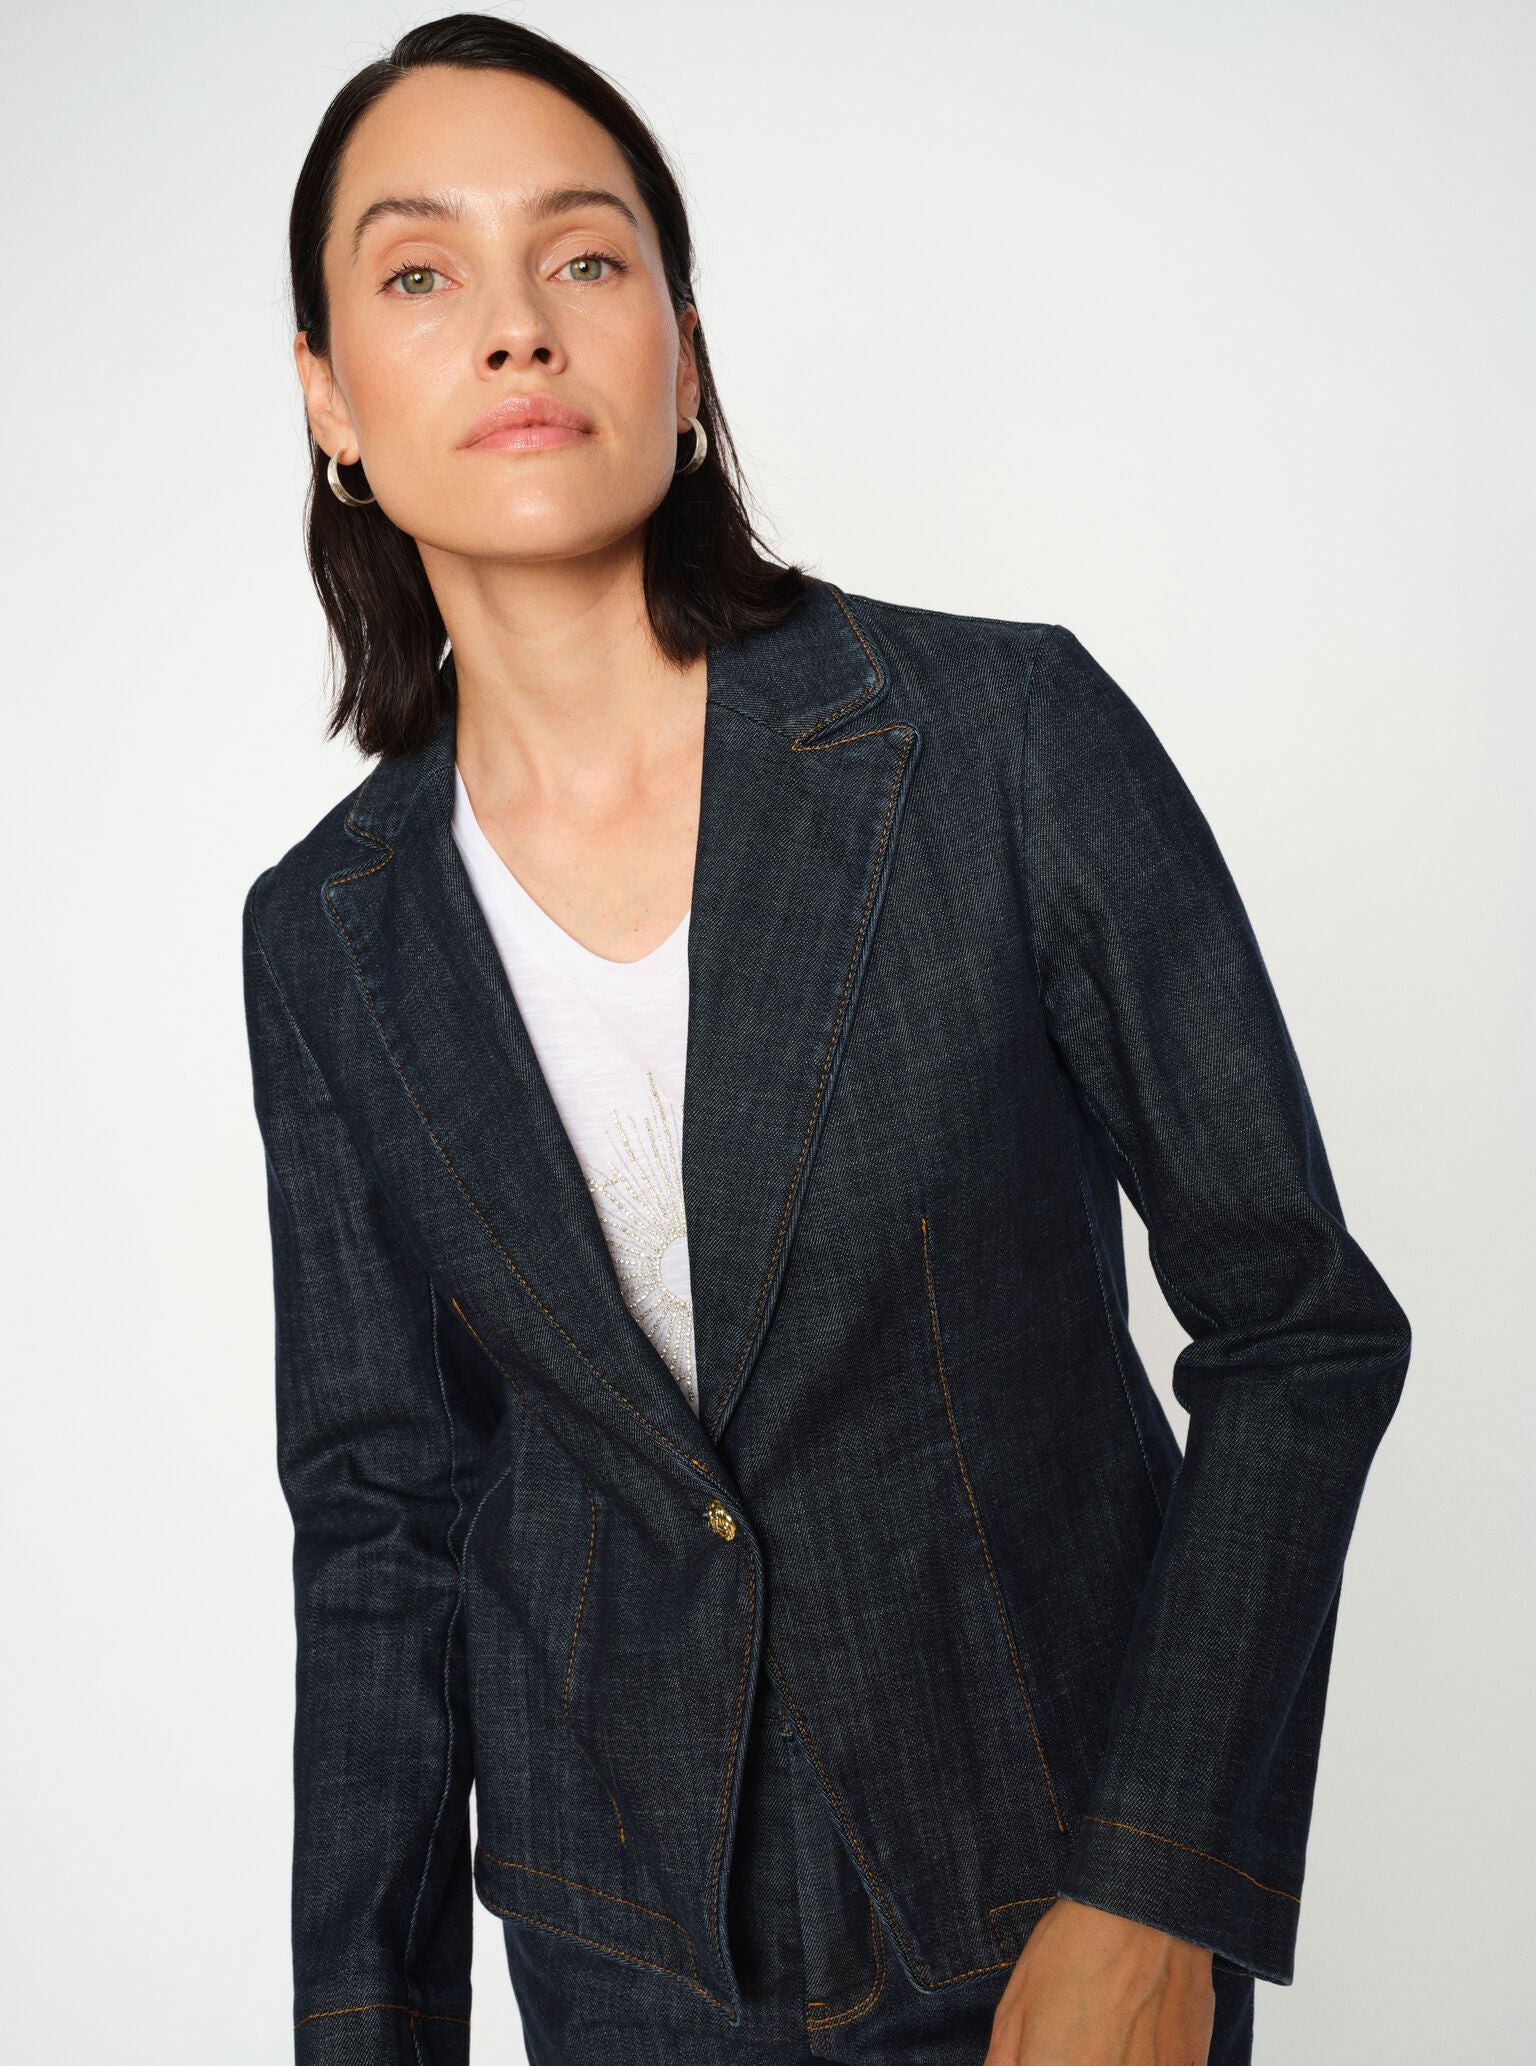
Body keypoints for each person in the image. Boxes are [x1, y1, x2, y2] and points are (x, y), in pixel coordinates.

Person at [241, 16, 1412, 2066]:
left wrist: (1157, 1884)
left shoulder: (1000, 745)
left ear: (682, 351)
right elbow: (384, 1524)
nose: (517, 325)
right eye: (421, 272)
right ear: (330, 394)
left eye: (585, 257)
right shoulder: (329, 935)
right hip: (621, 1975)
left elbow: (1298, 1325)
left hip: (1043, 1931)